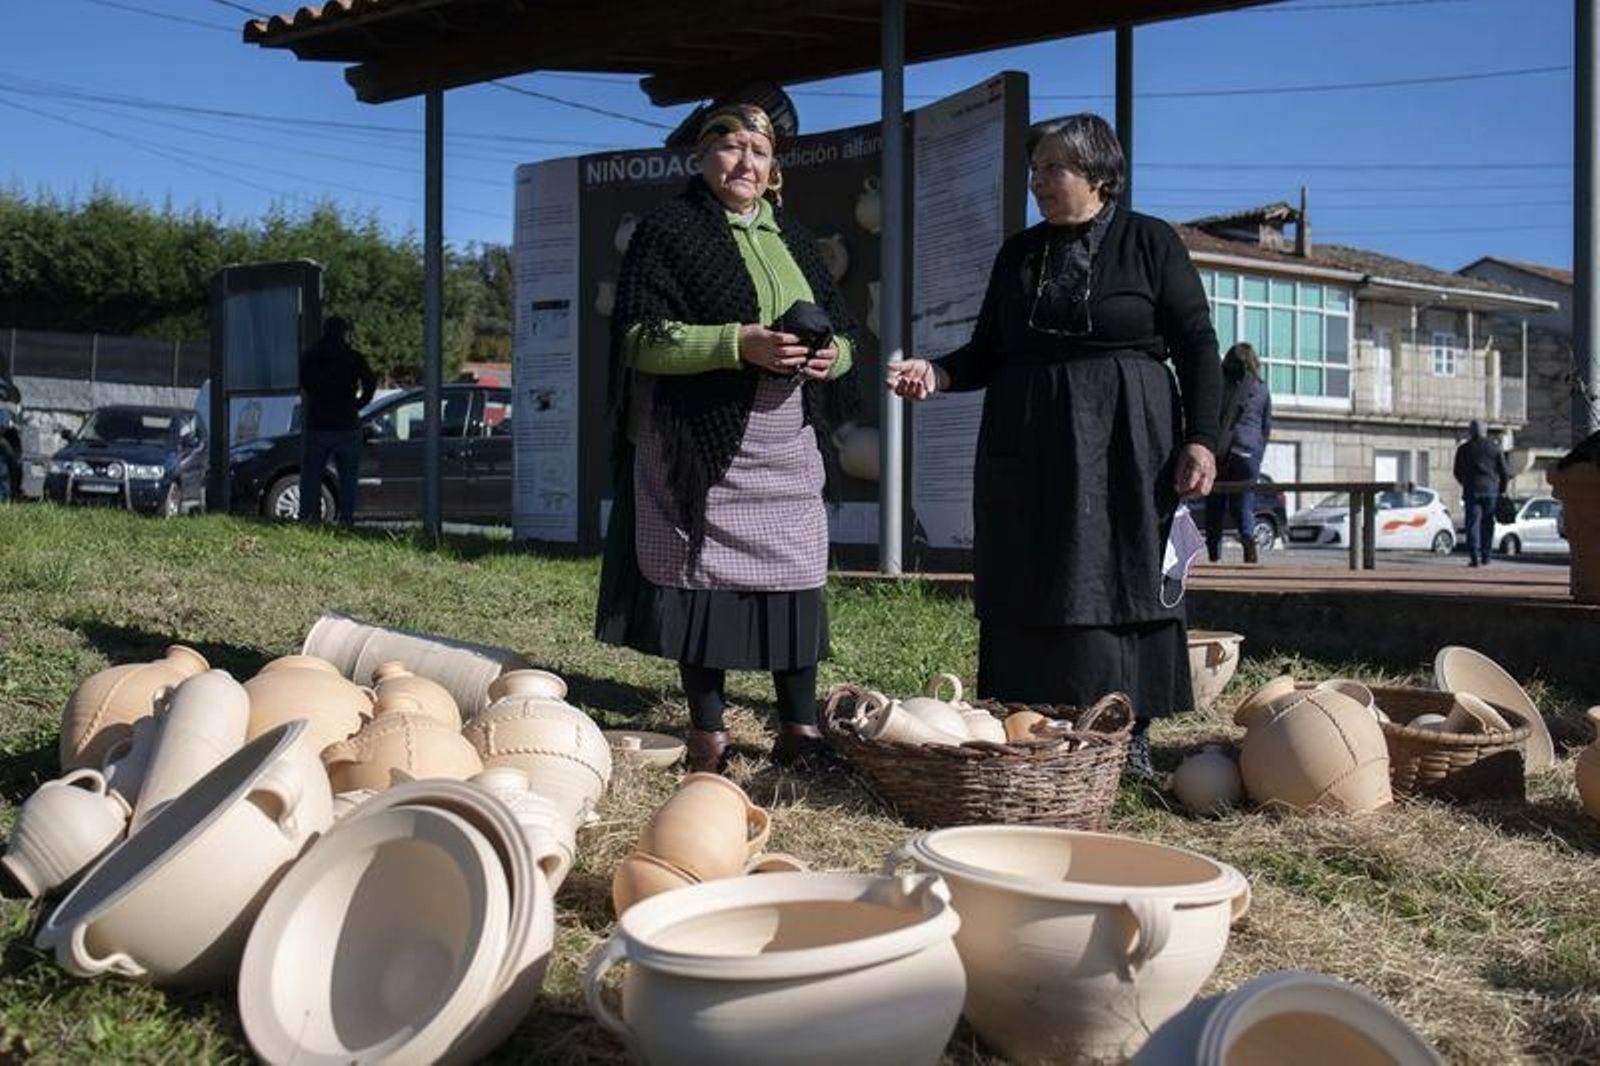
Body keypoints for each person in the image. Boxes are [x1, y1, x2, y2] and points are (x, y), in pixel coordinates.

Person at [886, 113, 1221, 780]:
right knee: (1030, 569)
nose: (1036, 181)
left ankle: (1128, 731)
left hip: (1127, 440)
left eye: (1051, 169)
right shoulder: (1020, 253)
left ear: (1098, 175)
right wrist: (940, 372)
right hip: (1028, 438)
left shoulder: (1150, 242)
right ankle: (1034, 722)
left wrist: (1204, 440)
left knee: (1122, 577)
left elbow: (1196, 345)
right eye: (1034, 169)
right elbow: (988, 350)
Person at [593, 104, 860, 775]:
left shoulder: (795, 238)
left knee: (798, 574)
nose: (747, 163)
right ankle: (708, 734)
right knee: (704, 579)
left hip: (783, 439)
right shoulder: (669, 231)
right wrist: (737, 343)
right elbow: (638, 339)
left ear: (774, 170)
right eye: (733, 147)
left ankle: (800, 730)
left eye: (761, 153)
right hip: (701, 439)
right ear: (701, 157)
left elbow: (849, 331)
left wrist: (837, 359)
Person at [297, 316, 377, 527]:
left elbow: (305, 382)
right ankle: (346, 519)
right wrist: (358, 404)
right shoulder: (353, 357)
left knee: (312, 477)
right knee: (348, 478)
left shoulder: (312, 356)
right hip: (346, 424)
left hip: (318, 423)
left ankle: (308, 518)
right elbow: (370, 382)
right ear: (343, 333)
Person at [1205, 343, 1273, 564]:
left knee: (1215, 504)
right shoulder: (1261, 389)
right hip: (1248, 454)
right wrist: (1256, 456)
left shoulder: (1221, 385)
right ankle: (1249, 551)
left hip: (1223, 452)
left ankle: (1214, 557)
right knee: (1244, 504)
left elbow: (1212, 419)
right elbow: (1266, 428)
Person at [1453, 419, 1510, 567]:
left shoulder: (1464, 449)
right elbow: (1504, 472)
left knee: (1472, 524)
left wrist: (1464, 483)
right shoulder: (1495, 448)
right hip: (1491, 490)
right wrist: (1502, 489)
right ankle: (1486, 556)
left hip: (1471, 490)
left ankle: (1474, 557)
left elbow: (1457, 471)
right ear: (1485, 431)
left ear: (1471, 431)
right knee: (1488, 524)